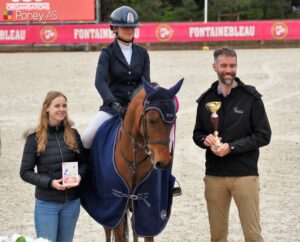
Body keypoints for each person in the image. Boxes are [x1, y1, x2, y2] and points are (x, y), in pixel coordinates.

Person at [193, 46, 271, 242]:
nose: (228, 70)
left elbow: (264, 135)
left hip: (245, 175)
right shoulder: (205, 100)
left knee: (253, 235)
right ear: (215, 67)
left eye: (232, 66)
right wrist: (205, 140)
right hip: (214, 176)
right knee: (217, 236)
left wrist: (232, 147)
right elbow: (197, 133)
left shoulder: (251, 98)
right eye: (224, 66)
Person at [20, 91, 87, 242]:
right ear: (46, 108)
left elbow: (84, 163)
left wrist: (79, 176)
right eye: (57, 105)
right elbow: (25, 172)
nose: (62, 109)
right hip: (46, 204)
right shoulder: (34, 138)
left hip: (71, 203)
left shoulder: (73, 134)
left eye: (64, 105)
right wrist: (50, 183)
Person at [81, 5, 150, 149]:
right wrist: (113, 103)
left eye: (133, 27)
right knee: (87, 138)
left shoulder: (143, 53)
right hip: (113, 108)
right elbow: (99, 82)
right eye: (125, 27)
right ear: (114, 29)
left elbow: (145, 82)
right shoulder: (107, 53)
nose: (130, 30)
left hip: (137, 107)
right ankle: (86, 170)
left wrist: (135, 103)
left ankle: (162, 171)